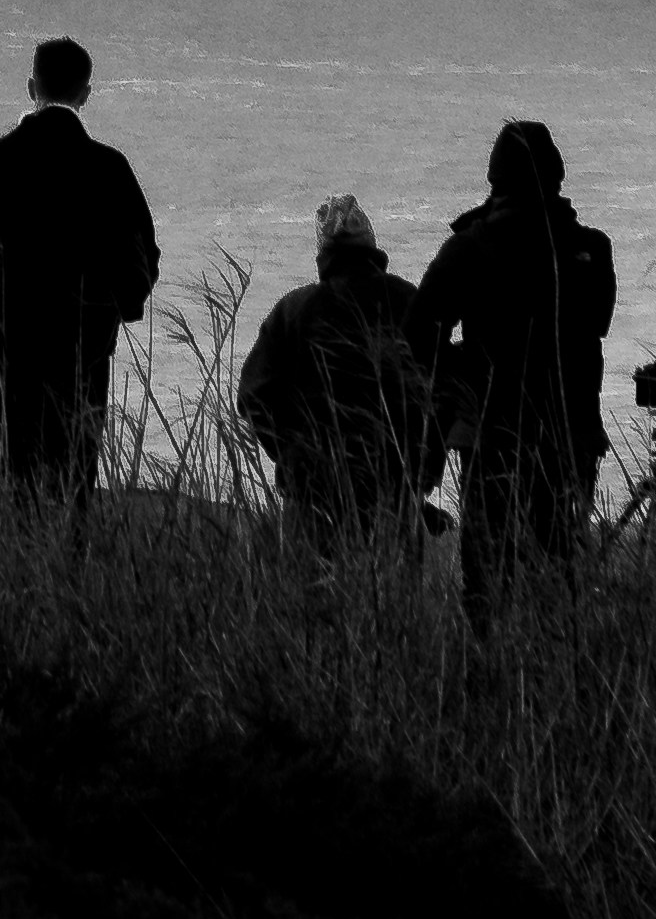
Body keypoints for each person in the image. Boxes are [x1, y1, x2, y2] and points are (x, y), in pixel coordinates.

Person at [411, 118, 616, 618]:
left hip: (493, 436)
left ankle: (493, 674)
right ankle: (559, 669)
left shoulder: (469, 248)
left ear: (494, 178)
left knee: (487, 575)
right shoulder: (591, 248)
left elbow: (417, 334)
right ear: (557, 175)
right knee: (560, 566)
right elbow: (598, 322)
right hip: (571, 434)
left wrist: (467, 367)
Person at [0, 38, 161, 491]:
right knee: (75, 481)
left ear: (30, 87)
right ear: (86, 94)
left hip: (12, 350)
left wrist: (0, 304)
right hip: (87, 353)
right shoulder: (109, 168)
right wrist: (108, 311)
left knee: (13, 475)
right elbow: (143, 261)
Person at [236, 198, 436, 549]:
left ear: (323, 253)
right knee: (390, 597)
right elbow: (441, 390)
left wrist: (293, 457)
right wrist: (422, 475)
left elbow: (254, 396)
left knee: (312, 598)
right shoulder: (408, 302)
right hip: (395, 488)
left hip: (313, 496)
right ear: (372, 243)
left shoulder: (294, 310)